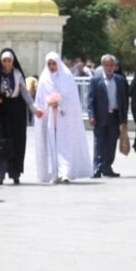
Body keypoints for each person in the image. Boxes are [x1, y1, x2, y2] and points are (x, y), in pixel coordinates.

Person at [0, 48, 44, 186]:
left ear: (13, 62)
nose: (7, 63)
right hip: (0, 114)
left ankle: (15, 174)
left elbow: (25, 93)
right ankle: (0, 176)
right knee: (1, 145)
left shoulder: (17, 75)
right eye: (4, 61)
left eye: (9, 61)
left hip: (15, 114)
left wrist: (35, 109)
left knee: (16, 144)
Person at [33, 51, 91, 184]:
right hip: (50, 118)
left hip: (65, 118)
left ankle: (65, 172)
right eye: (49, 64)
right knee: (52, 145)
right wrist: (49, 104)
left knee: (65, 145)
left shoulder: (67, 77)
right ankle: (54, 172)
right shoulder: (44, 79)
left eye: (54, 63)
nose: (52, 66)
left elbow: (72, 98)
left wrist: (60, 102)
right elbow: (40, 99)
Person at [86, 54, 129, 178]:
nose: (109, 68)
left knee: (111, 143)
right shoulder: (96, 80)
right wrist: (91, 115)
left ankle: (107, 167)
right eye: (107, 65)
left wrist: (124, 118)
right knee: (99, 143)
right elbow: (90, 100)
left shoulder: (120, 80)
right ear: (103, 66)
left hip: (114, 116)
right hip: (100, 116)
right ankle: (97, 168)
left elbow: (124, 99)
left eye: (111, 65)